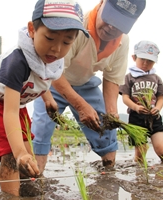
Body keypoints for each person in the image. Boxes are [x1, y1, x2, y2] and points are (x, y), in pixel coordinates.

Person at [0, 0, 89, 196]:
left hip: (16, 101)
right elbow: (9, 111)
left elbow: (41, 77)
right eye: (50, 38)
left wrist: (48, 98)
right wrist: (19, 153)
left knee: (28, 148)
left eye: (67, 42)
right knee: (12, 152)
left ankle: (28, 187)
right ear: (32, 30)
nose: (57, 49)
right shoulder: (18, 61)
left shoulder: (52, 60)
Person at [31, 0, 146, 173]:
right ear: (101, 5)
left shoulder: (123, 42)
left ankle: (109, 175)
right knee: (41, 128)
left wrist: (112, 112)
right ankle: (35, 176)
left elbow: (112, 79)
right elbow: (54, 71)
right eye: (109, 18)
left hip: (86, 84)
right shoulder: (77, 26)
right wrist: (80, 105)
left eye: (119, 24)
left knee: (106, 129)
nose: (111, 27)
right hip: (53, 82)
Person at [119, 40, 163, 162]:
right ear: (134, 57)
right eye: (142, 59)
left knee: (161, 150)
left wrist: (157, 108)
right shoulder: (129, 77)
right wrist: (135, 107)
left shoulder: (156, 78)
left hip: (154, 116)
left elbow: (160, 97)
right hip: (136, 117)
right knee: (140, 151)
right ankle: (140, 177)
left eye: (150, 61)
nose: (145, 63)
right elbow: (125, 97)